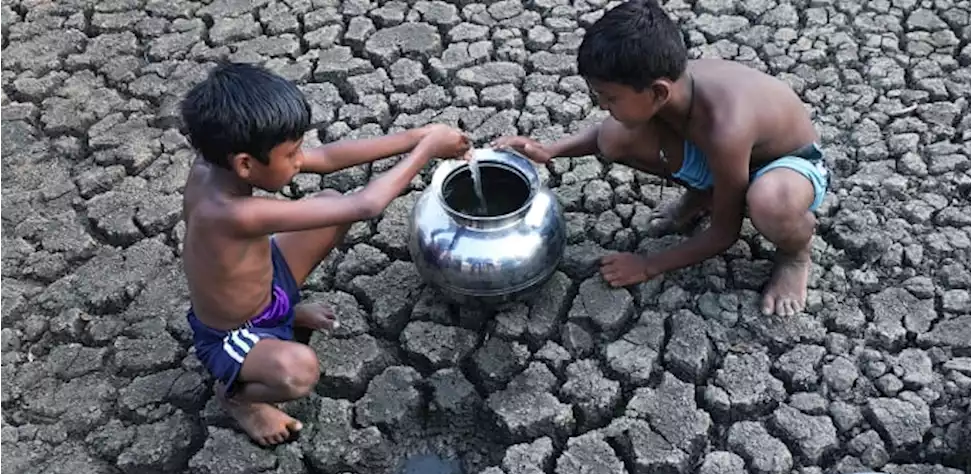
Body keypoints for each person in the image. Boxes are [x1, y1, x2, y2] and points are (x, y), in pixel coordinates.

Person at [179, 61, 470, 446]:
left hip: (268, 287)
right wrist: (427, 151)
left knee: (329, 204)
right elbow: (366, 205)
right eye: (293, 154)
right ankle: (238, 398)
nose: (301, 160)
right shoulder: (230, 214)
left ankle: (285, 314)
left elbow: (329, 158)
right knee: (298, 371)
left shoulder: (215, 161)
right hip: (236, 332)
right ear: (246, 164)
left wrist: (419, 134)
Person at [494, 0, 829, 317]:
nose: (600, 105)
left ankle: (794, 254)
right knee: (614, 137)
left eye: (610, 97)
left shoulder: (725, 127)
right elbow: (603, 134)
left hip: (787, 165)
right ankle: (702, 196)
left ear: (657, 92)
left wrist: (647, 265)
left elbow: (724, 233)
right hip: (721, 158)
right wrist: (549, 150)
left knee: (769, 204)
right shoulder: (672, 87)